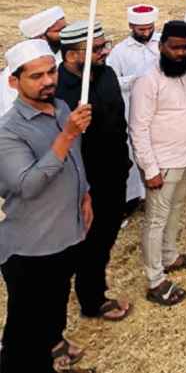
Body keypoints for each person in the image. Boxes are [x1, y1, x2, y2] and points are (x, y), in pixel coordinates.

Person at [0, 40, 93, 373]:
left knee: (54, 311)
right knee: (24, 331)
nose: (48, 81)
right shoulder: (8, 131)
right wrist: (66, 135)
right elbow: (27, 185)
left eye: (51, 72)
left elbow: (75, 159)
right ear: (14, 81)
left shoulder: (62, 108)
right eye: (36, 76)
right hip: (31, 248)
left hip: (66, 235)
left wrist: (85, 193)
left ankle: (53, 349)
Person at [56, 21, 133, 322]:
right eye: (97, 48)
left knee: (103, 239)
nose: (105, 52)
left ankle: (92, 294)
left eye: (105, 45)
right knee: (77, 246)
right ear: (72, 55)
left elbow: (118, 122)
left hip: (114, 174)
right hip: (79, 185)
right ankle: (83, 303)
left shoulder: (107, 74)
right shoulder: (57, 90)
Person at [129, 21, 186, 306]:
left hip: (185, 158)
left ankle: (171, 256)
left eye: (185, 47)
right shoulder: (147, 80)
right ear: (161, 46)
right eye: (174, 47)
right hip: (161, 164)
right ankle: (155, 280)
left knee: (175, 210)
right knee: (156, 220)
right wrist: (150, 169)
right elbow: (138, 128)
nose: (180, 53)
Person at [107, 4, 160, 206]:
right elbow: (112, 81)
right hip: (133, 107)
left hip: (160, 107)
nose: (146, 33)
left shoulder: (162, 43)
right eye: (141, 29)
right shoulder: (120, 51)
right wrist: (136, 79)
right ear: (131, 26)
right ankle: (137, 195)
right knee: (136, 148)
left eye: (149, 28)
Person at [1, 6, 66, 117]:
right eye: (59, 31)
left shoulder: (67, 55)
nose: (66, 33)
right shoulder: (14, 71)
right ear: (41, 36)